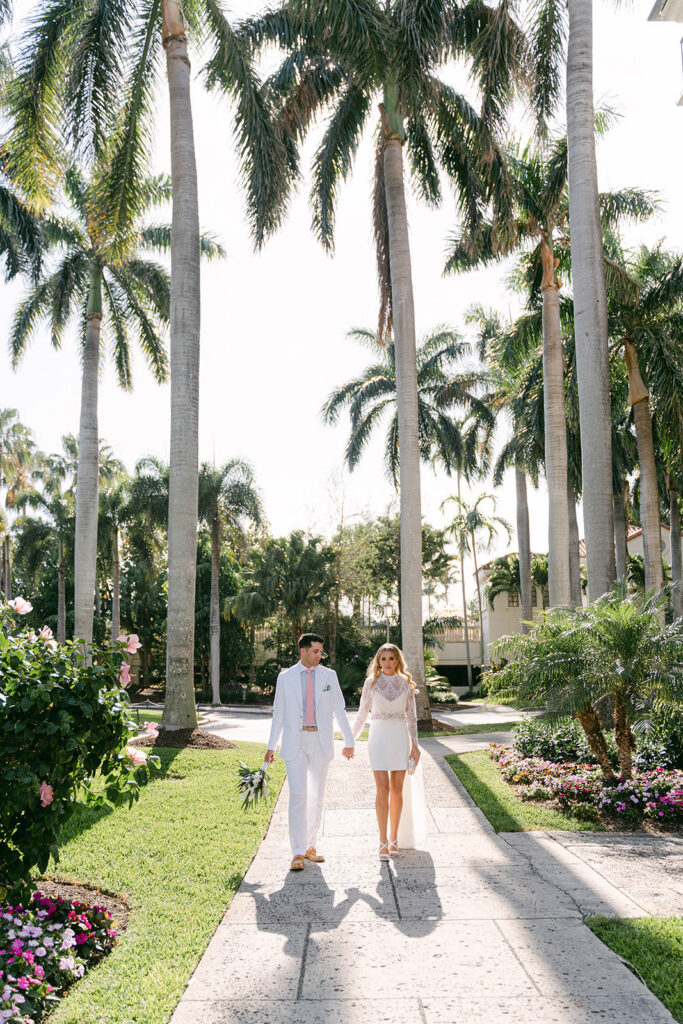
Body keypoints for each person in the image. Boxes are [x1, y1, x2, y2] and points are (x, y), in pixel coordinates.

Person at [265, 633, 355, 871]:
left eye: (320, 652)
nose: (319, 656)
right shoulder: (285, 678)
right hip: (295, 742)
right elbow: (279, 714)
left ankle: (310, 846)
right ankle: (296, 851)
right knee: (298, 796)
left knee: (316, 795)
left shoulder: (329, 675)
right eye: (315, 651)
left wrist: (349, 740)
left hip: (320, 741)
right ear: (303, 651)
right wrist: (271, 746)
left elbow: (339, 709)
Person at [352, 643, 426, 860]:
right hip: (378, 738)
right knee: (382, 789)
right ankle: (381, 841)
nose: (387, 663)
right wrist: (350, 739)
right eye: (383, 659)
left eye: (391, 658)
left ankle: (394, 839)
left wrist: (415, 745)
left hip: (399, 738)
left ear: (397, 661)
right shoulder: (371, 683)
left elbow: (411, 718)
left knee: (396, 789)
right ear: (378, 661)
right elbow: (361, 715)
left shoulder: (406, 685)